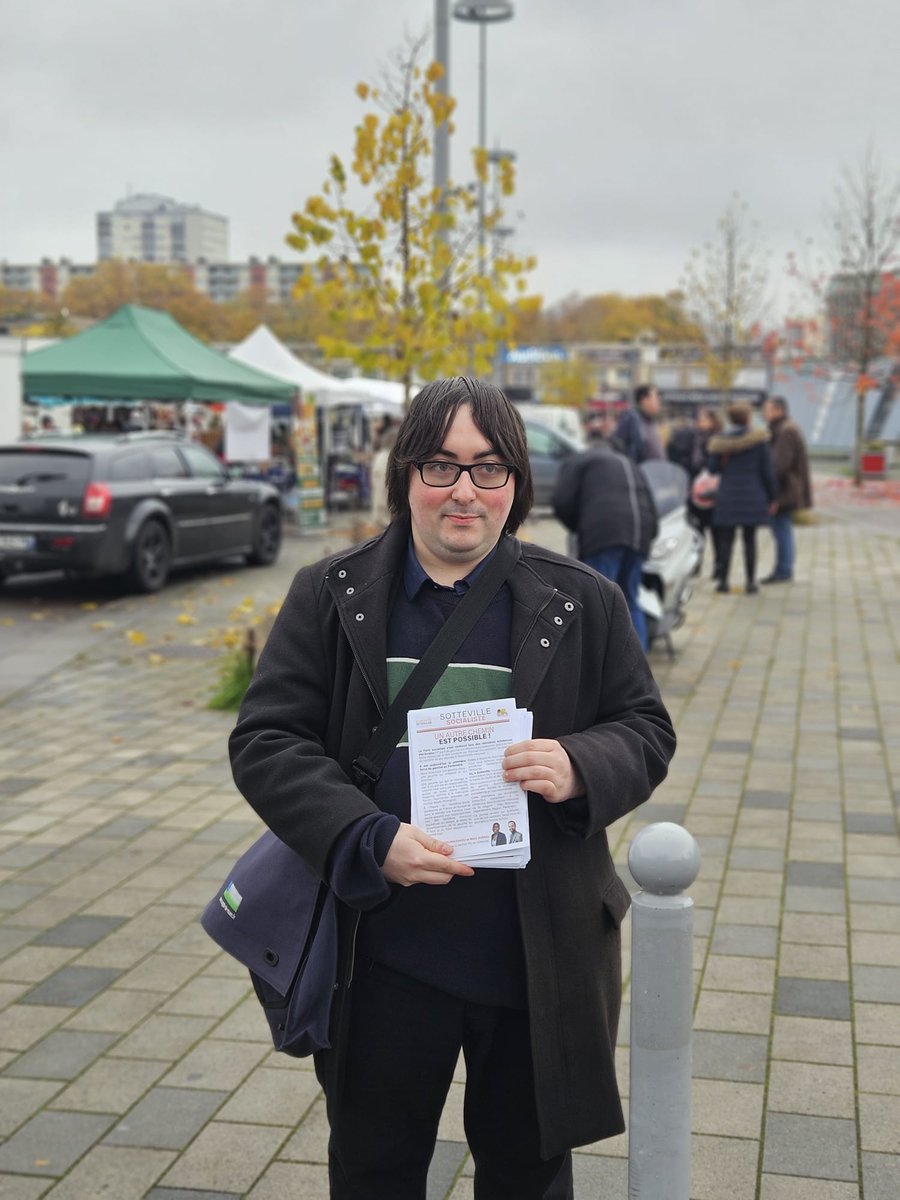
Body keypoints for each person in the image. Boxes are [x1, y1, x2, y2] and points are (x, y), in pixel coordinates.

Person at [229, 376, 676, 1200]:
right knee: (374, 1168)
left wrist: (582, 764)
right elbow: (267, 740)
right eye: (440, 466)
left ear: (517, 484)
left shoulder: (581, 600)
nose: (464, 490)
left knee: (528, 1173)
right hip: (383, 954)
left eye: (488, 467)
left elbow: (646, 729)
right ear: (405, 476)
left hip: (537, 956)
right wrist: (363, 837)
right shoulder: (334, 595)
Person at [551, 435, 658, 652]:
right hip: (640, 534)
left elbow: (561, 501)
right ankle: (637, 665)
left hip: (603, 535)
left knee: (596, 602)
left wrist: (578, 527)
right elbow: (651, 504)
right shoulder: (628, 462)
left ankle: (598, 665)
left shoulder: (579, 461)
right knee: (629, 598)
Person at [707, 402, 777, 595]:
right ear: (748, 418)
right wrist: (773, 497)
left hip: (728, 495)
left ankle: (723, 582)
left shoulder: (720, 442)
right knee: (750, 539)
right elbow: (767, 472)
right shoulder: (760, 440)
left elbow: (712, 469)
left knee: (725, 540)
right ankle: (751, 582)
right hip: (753, 496)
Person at [761, 395, 813, 583]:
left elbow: (779, 465)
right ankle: (784, 568)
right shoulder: (783, 429)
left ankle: (783, 570)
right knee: (782, 528)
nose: (764, 413)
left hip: (785, 490)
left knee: (781, 528)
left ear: (779, 410)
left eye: (768, 409)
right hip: (786, 488)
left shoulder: (785, 431)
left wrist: (767, 481)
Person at [612, 384, 665, 464]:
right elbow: (619, 445)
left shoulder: (650, 421)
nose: (659, 403)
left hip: (654, 472)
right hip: (640, 471)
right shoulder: (631, 418)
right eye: (656, 399)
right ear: (644, 400)